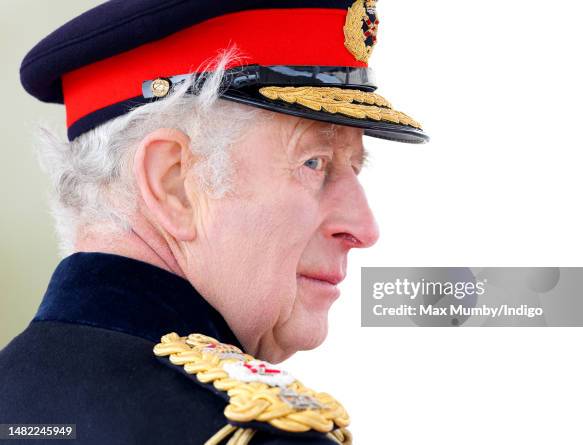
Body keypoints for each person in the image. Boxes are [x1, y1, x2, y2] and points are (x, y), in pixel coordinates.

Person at [0, 1, 427, 444]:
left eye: (354, 169)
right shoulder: (252, 433)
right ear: (174, 185)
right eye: (314, 163)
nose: (364, 229)